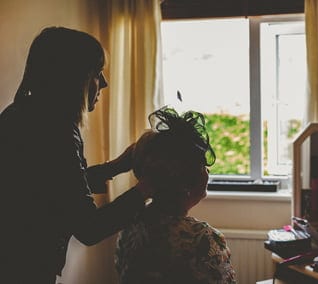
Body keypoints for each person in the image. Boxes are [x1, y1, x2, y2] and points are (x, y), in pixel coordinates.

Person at [0, 27, 154, 283]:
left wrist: (116, 166)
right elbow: (89, 228)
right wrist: (147, 189)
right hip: (22, 268)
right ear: (73, 78)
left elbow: (53, 186)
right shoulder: (56, 129)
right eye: (97, 73)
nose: (103, 83)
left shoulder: (19, 114)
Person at [115, 107, 237, 283]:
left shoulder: (130, 227)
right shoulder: (202, 238)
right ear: (186, 182)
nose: (208, 171)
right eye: (203, 167)